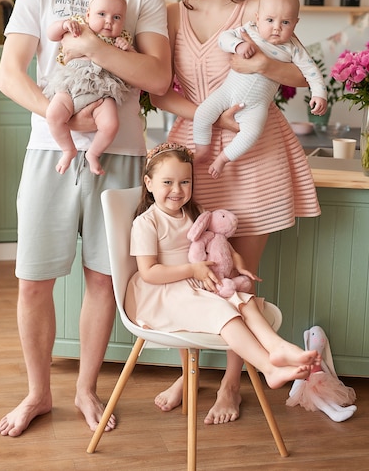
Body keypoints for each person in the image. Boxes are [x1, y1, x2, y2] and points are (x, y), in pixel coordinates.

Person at [0, 0, 171, 437]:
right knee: (32, 281)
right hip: (50, 151)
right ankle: (38, 393)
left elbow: (158, 75)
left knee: (103, 281)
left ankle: (85, 392)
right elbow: (8, 75)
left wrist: (94, 46)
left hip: (117, 154)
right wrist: (59, 112)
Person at [151, 0, 321, 425]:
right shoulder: (172, 12)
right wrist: (214, 118)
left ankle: (230, 383)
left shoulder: (258, 9)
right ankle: (192, 369)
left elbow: (296, 70)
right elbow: (160, 88)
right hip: (197, 150)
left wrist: (260, 65)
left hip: (256, 151)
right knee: (197, 268)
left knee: (239, 275)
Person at [125, 142, 320, 391]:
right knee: (225, 313)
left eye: (185, 182)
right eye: (167, 182)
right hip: (162, 293)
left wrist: (237, 261)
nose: (177, 190)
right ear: (149, 183)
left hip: (196, 283)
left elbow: (219, 243)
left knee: (243, 299)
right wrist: (192, 271)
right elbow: (149, 272)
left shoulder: (195, 214)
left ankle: (278, 347)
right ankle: (269, 368)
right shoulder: (146, 222)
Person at [193, 0, 327, 178]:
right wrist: (238, 45)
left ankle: (223, 158)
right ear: (257, 18)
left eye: (285, 22)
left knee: (251, 134)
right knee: (202, 114)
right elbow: (223, 38)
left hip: (256, 105)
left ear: (295, 24)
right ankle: (202, 149)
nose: (276, 27)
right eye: (270, 20)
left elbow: (311, 71)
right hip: (227, 93)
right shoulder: (249, 31)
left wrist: (319, 94)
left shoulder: (293, 49)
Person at [45, 0, 134, 175]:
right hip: (71, 84)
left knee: (111, 124)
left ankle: (93, 153)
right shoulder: (78, 26)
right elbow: (51, 35)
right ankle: (68, 149)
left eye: (116, 17)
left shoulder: (122, 38)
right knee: (53, 114)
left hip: (103, 89)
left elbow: (134, 64)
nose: (109, 21)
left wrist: (128, 49)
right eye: (101, 14)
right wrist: (63, 25)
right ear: (87, 15)